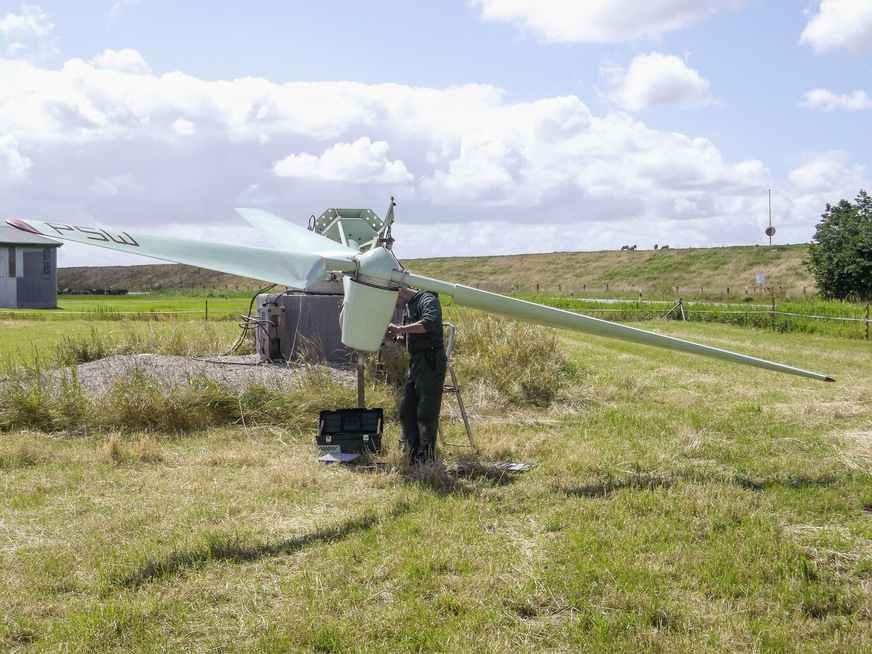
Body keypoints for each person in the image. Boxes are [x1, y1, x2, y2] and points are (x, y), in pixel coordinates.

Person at [385, 286, 447, 464]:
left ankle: (425, 458)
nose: (393, 306)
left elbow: (429, 324)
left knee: (426, 411)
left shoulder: (427, 300)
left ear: (400, 291)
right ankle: (411, 454)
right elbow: (411, 343)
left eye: (392, 299)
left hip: (431, 359)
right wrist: (397, 339)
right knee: (407, 410)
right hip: (416, 360)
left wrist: (400, 328)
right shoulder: (408, 306)